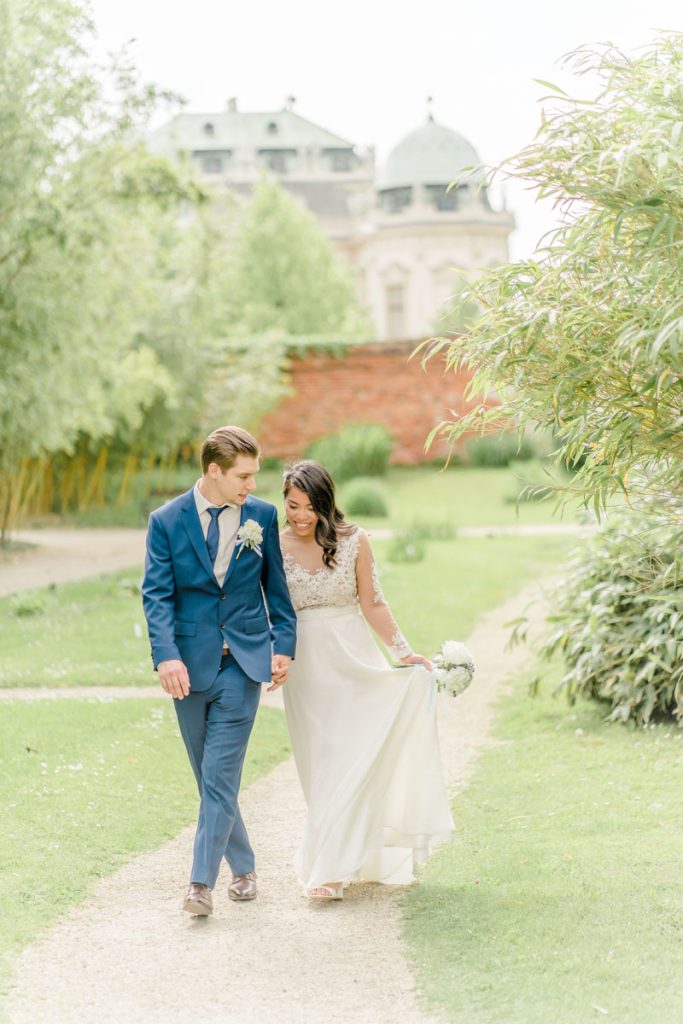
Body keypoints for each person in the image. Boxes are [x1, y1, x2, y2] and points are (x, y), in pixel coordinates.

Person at [279, 460, 453, 900]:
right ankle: (330, 856)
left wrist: (403, 651)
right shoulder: (273, 546)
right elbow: (267, 610)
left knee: (352, 756)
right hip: (306, 671)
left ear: (325, 503)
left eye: (308, 507)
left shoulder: (355, 541)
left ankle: (331, 872)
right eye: (292, 505)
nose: (299, 516)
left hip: (353, 660)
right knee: (320, 766)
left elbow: (372, 603)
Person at [142, 426, 297, 916]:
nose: (252, 485)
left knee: (220, 772)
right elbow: (157, 595)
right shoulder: (166, 521)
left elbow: (279, 594)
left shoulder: (262, 518)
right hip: (188, 666)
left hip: (244, 662)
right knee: (211, 778)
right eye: (244, 476)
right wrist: (166, 656)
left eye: (254, 475)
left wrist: (283, 647)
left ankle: (199, 885)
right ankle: (246, 867)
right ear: (214, 470)